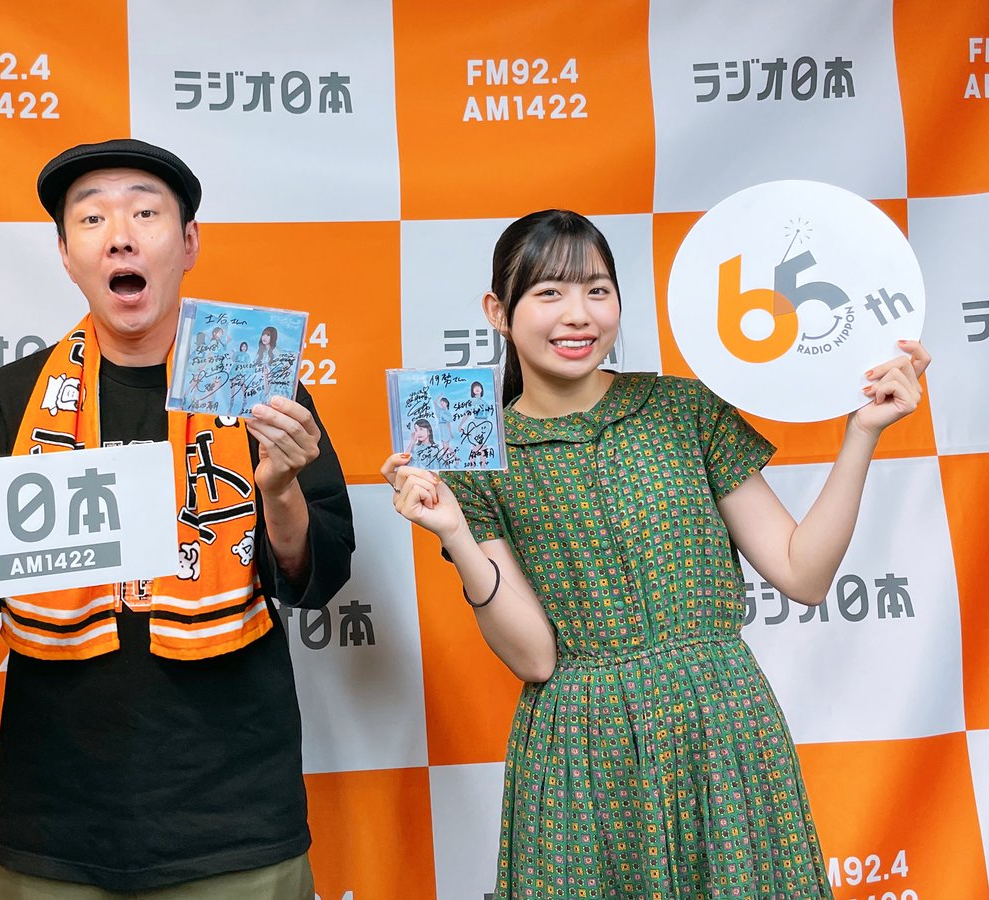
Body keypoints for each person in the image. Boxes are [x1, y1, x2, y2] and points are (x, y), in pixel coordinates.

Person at [382, 209, 928, 898]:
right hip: (581, 749)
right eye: (549, 293)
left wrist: (862, 434)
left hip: (720, 725)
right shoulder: (476, 458)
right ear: (499, 311)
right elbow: (536, 659)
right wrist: (456, 533)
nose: (578, 315)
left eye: (597, 290)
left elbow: (803, 573)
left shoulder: (682, 409)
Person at [0, 138, 355, 899]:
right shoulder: (13, 400)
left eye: (144, 213)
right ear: (66, 254)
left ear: (188, 243)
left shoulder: (262, 392)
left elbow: (317, 575)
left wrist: (278, 489)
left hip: (236, 817)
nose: (120, 236)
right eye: (92, 218)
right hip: (55, 822)